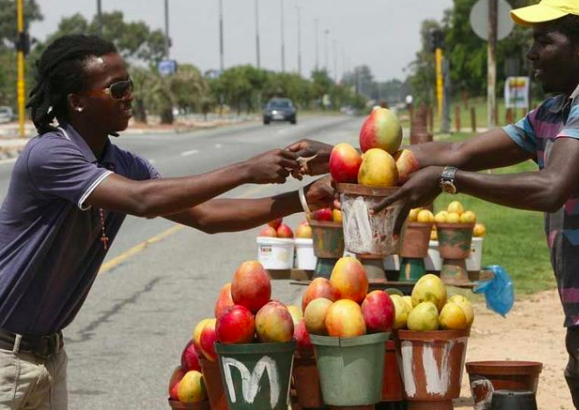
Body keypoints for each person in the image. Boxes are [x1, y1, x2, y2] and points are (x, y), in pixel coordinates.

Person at [296, 1, 579, 409]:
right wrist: (357, 156)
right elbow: (460, 150)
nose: (532, 53)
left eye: (542, 41)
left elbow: (551, 187)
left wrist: (449, 180)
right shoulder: (557, 111)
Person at [0, 34, 332, 410]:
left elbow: (206, 215)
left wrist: (302, 198)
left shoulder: (121, 164)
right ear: (76, 102)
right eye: (117, 88)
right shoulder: (50, 154)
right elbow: (142, 201)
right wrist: (245, 170)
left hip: (46, 353)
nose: (130, 96)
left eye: (130, 85)